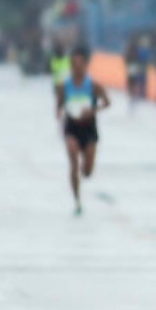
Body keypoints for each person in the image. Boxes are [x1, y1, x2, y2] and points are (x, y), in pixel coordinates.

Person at [55, 47, 111, 216]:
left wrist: (92, 111)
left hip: (89, 127)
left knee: (87, 171)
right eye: (74, 64)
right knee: (73, 160)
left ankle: (83, 170)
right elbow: (59, 106)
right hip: (72, 126)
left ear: (86, 65)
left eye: (80, 64)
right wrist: (59, 113)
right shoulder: (64, 86)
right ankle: (77, 200)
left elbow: (107, 103)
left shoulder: (93, 85)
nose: (77, 67)